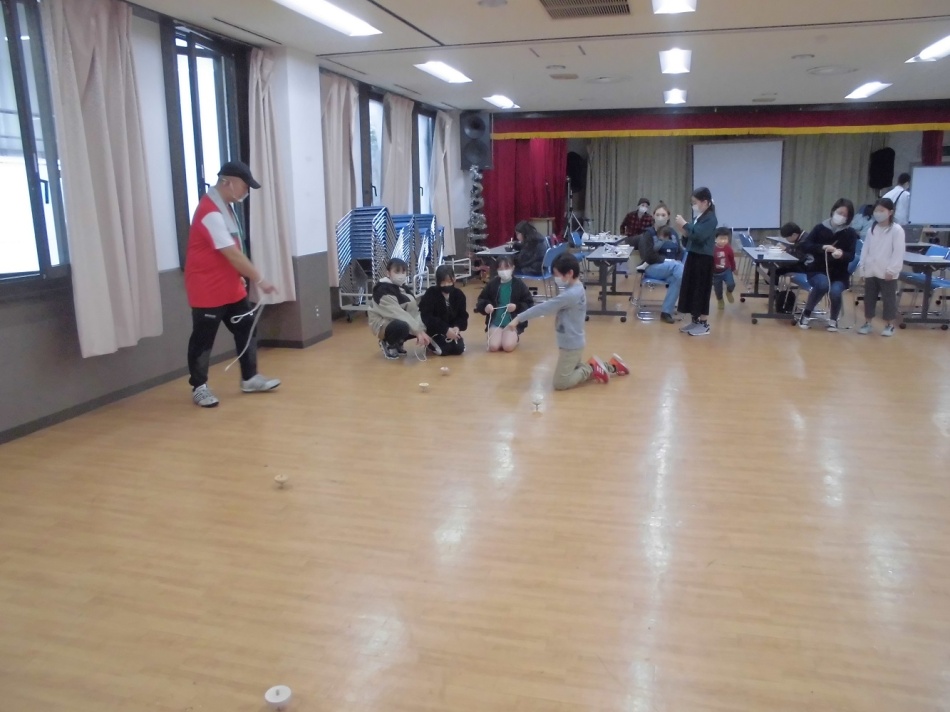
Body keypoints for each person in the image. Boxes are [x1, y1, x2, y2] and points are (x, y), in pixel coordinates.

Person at [184, 160, 280, 408]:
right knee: (203, 339)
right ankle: (199, 387)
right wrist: (260, 280)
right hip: (207, 289)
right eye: (245, 186)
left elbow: (234, 249)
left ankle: (250, 378)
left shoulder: (225, 208)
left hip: (230, 287)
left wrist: (240, 276)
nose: (246, 192)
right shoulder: (210, 212)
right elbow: (232, 254)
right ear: (228, 183)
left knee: (246, 326)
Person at [505, 253, 629, 390]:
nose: (555, 278)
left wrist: (518, 318)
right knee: (573, 370)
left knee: (560, 383)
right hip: (571, 342)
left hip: (571, 346)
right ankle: (611, 366)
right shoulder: (575, 287)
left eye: (557, 275)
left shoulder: (570, 295)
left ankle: (592, 368)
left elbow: (544, 308)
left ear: (570, 273)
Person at [797, 198, 859, 332]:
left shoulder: (850, 233)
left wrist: (841, 254)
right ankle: (806, 314)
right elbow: (805, 246)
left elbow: (851, 256)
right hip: (817, 270)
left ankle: (833, 320)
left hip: (839, 274)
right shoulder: (820, 228)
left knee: (835, 291)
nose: (841, 216)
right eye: (839, 213)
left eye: (845, 215)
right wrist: (822, 247)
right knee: (823, 284)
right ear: (833, 211)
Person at [857, 197, 905, 337]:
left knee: (889, 299)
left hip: (887, 271)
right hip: (871, 270)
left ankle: (889, 325)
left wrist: (892, 270)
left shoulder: (897, 230)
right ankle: (868, 323)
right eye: (876, 210)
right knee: (869, 298)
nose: (878, 213)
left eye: (881, 210)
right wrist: (862, 268)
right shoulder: (872, 229)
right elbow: (865, 249)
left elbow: (898, 252)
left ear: (890, 212)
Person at [674, 187, 718, 335]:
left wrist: (685, 224)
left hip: (704, 259)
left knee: (701, 289)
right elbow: (691, 238)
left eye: (695, 202)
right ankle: (695, 321)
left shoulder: (711, 218)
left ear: (705, 202)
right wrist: (684, 232)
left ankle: (704, 324)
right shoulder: (699, 217)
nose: (693, 206)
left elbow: (699, 236)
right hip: (693, 256)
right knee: (692, 289)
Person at [368, 258, 432, 359]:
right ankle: (388, 342)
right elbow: (397, 314)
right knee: (401, 326)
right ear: (388, 273)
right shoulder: (382, 291)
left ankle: (399, 341)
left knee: (422, 321)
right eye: (397, 271)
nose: (401, 275)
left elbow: (414, 311)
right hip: (383, 323)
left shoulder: (403, 288)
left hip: (399, 319)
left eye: (403, 271)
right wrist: (418, 331)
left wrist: (423, 329)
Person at [474, 256, 534, 352]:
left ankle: (514, 336)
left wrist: (516, 307)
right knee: (493, 347)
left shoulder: (519, 284)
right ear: (497, 270)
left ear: (513, 268)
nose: (504, 271)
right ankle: (497, 334)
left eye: (507, 268)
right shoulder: (492, 284)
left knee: (507, 347)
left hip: (512, 322)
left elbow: (529, 303)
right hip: (496, 321)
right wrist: (486, 306)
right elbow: (481, 299)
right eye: (500, 269)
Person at [635, 220, 684, 324]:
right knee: (678, 268)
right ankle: (689, 294)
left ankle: (666, 312)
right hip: (652, 267)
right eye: (658, 215)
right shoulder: (648, 234)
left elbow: (680, 251)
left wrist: (676, 260)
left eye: (663, 215)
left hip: (672, 269)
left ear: (668, 217)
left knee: (677, 278)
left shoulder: (673, 233)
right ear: (654, 216)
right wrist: (668, 260)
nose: (660, 218)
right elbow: (648, 256)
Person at [419, 265, 468, 355]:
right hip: (435, 331)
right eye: (443, 283)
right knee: (443, 350)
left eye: (449, 282)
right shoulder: (431, 293)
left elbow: (463, 316)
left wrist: (457, 327)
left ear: (454, 279)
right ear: (438, 282)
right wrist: (445, 329)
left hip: (452, 330)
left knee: (459, 349)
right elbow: (427, 317)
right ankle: (430, 342)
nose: (446, 285)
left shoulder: (459, 295)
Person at [712, 227, 738, 309]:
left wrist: (734, 269)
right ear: (715, 239)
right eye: (721, 238)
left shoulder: (728, 248)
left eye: (725, 239)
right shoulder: (712, 249)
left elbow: (731, 259)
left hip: (726, 270)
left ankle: (729, 292)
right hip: (715, 274)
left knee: (731, 284)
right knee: (718, 290)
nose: (723, 241)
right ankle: (720, 300)